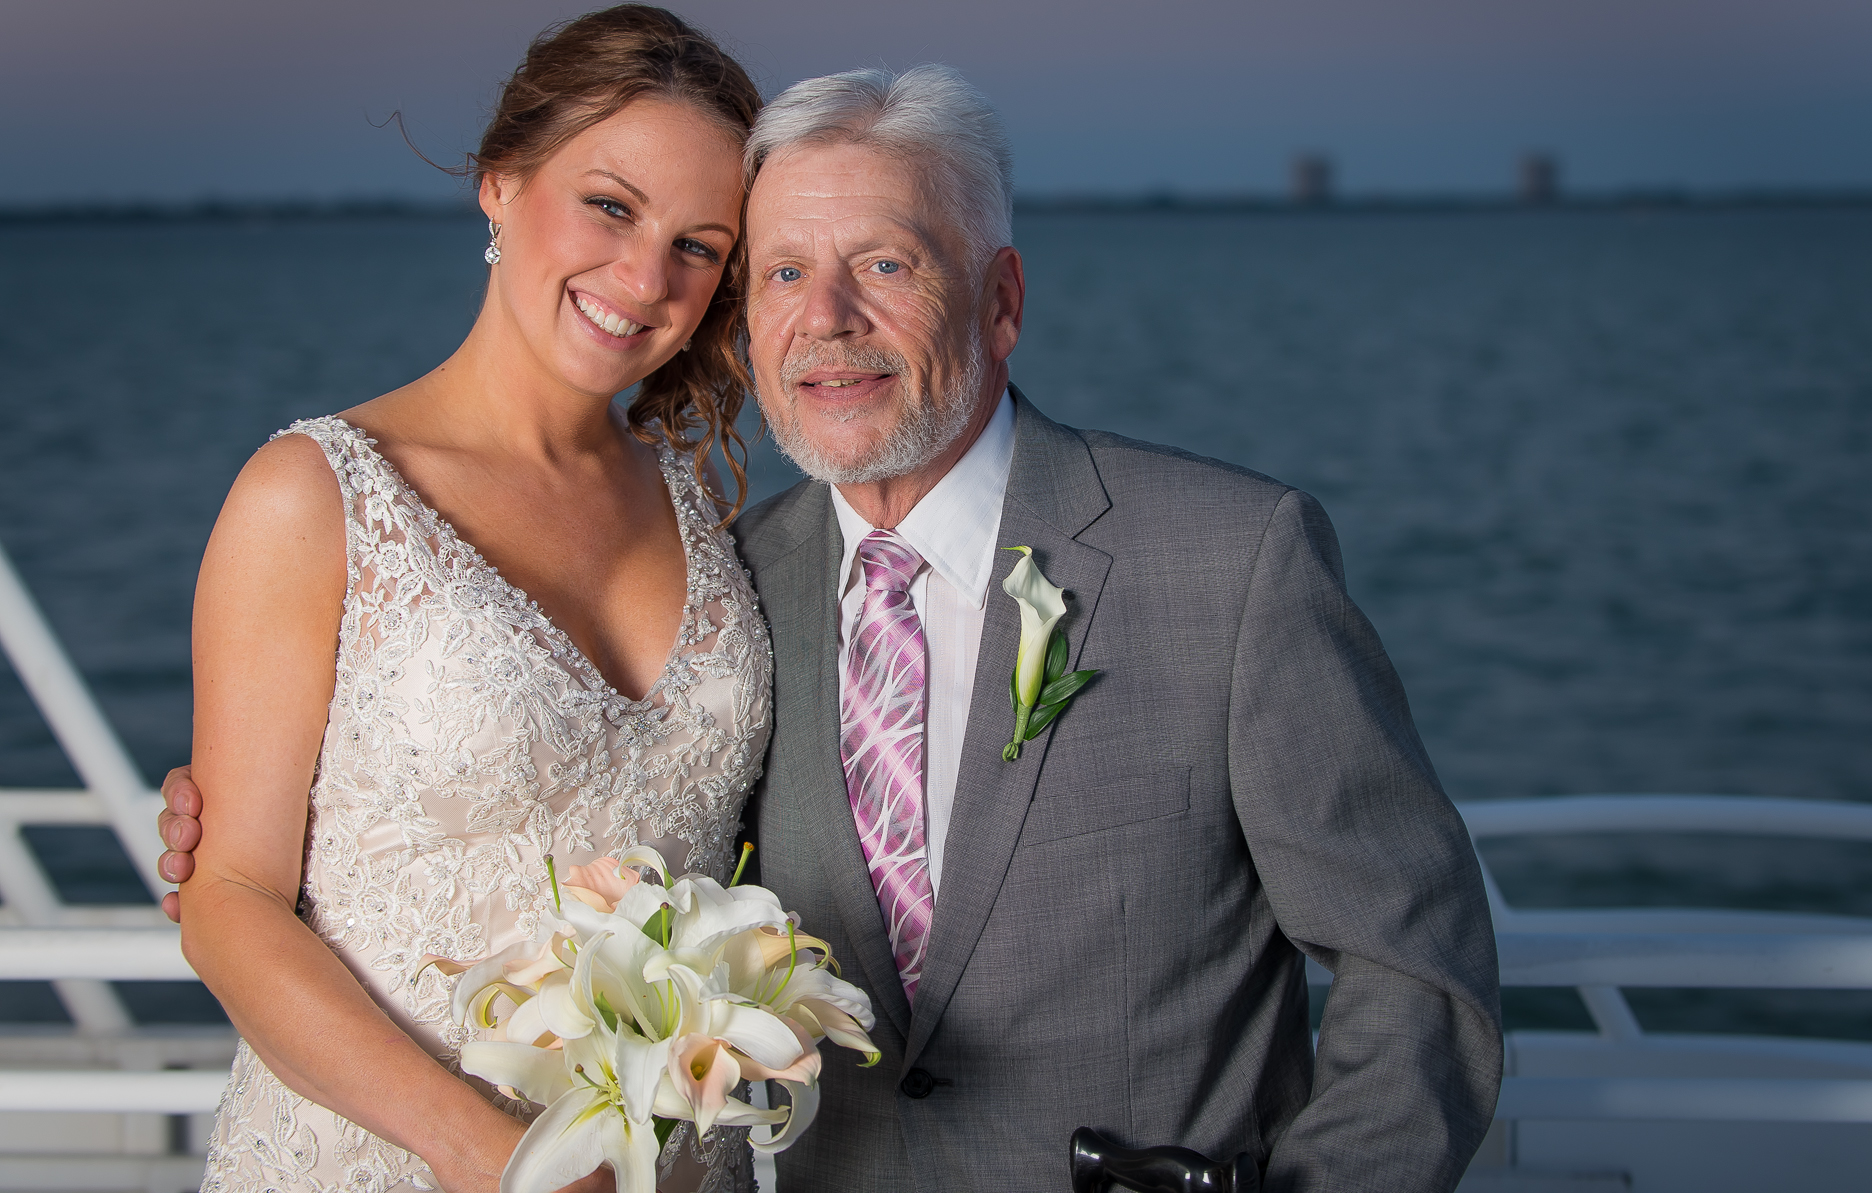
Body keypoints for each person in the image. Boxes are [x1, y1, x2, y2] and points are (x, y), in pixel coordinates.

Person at [164, 63, 1504, 1190]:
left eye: (884, 263)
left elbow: (1416, 970)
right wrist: (245, 827)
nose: (828, 320)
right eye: (785, 270)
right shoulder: (746, 580)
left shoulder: (1230, 559)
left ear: (1002, 301)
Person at [165, 5, 770, 1193]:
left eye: (700, 245)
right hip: (383, 1163)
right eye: (611, 205)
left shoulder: (707, 515)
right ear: (500, 185)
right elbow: (228, 901)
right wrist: (495, 1161)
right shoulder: (317, 497)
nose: (645, 277)